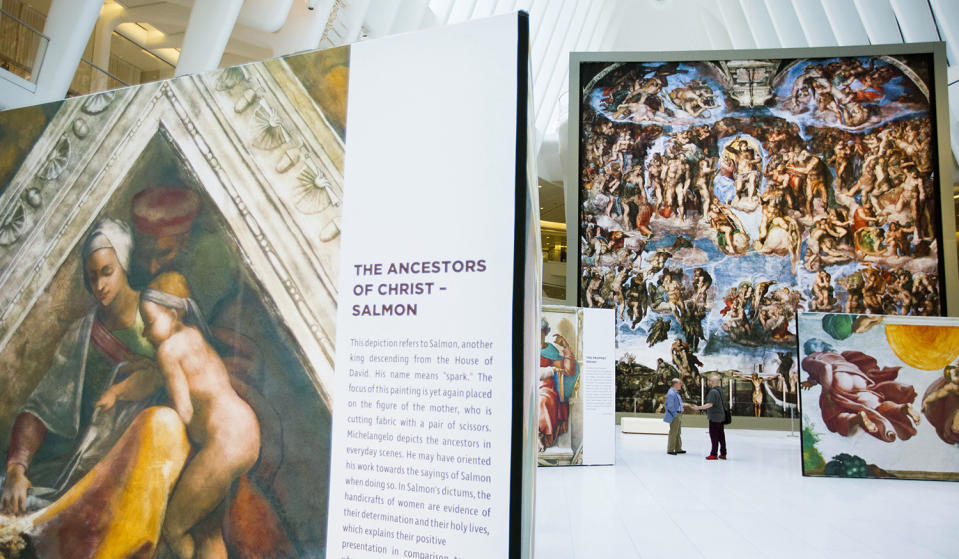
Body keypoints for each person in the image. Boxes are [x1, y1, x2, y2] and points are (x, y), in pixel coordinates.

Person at [0, 219, 160, 515]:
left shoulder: (158, 313)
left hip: (142, 460)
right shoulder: (83, 334)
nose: (99, 285)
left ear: (123, 263)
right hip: (83, 465)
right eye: (92, 277)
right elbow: (43, 405)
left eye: (107, 272)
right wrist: (16, 468)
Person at [100, 272, 261, 558]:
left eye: (149, 323)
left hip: (225, 446)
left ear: (173, 315)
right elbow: (156, 380)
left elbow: (183, 410)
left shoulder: (168, 351)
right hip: (247, 430)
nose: (146, 333)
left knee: (173, 528)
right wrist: (120, 391)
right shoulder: (194, 336)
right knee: (207, 530)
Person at [699, 375, 728, 460]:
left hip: (715, 417)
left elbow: (710, 404)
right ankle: (723, 453)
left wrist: (699, 407)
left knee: (714, 436)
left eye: (710, 381)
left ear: (712, 382)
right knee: (721, 436)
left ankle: (713, 454)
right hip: (721, 416)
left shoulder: (713, 392)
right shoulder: (721, 391)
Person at [664, 378, 690, 455]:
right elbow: (670, 406)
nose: (681, 385)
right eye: (680, 383)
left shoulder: (675, 392)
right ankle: (670, 449)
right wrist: (675, 415)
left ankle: (678, 448)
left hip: (678, 414)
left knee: (678, 432)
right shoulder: (671, 393)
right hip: (675, 415)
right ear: (675, 384)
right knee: (673, 432)